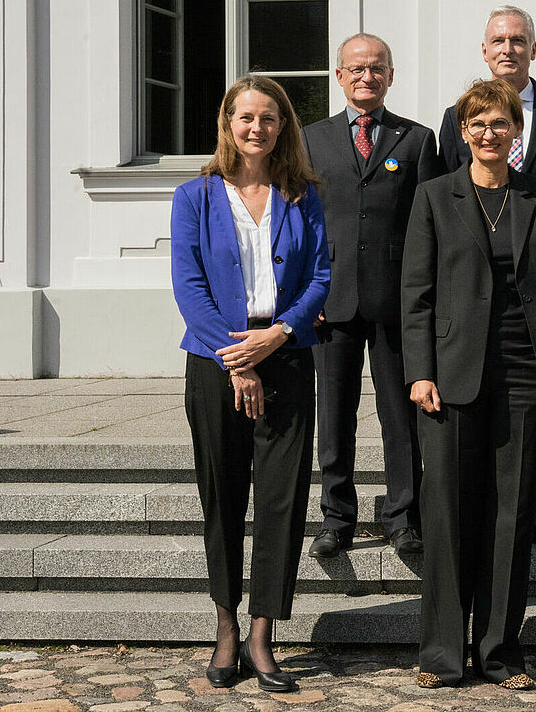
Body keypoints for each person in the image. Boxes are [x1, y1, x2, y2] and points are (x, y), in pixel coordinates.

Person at [404, 78, 536, 690]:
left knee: (512, 513)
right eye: (476, 123)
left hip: (526, 372)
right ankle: (443, 654)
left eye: (499, 123)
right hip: (451, 376)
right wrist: (419, 370)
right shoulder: (433, 196)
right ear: (462, 132)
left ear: (516, 132)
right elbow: (416, 293)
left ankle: (501, 651)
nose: (488, 133)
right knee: (449, 509)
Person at [170, 75, 330, 693]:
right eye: (246, 117)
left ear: (283, 126)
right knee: (223, 493)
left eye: (269, 118)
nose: (257, 128)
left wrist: (279, 336)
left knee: (282, 500)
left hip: (286, 355)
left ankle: (263, 632)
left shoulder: (302, 193)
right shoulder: (195, 195)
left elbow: (320, 275)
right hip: (216, 361)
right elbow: (189, 285)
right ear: (227, 123)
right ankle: (225, 627)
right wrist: (238, 361)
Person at [439, 5, 536, 554]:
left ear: (534, 48)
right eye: (498, 40)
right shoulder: (458, 116)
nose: (508, 48)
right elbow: (444, 205)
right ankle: (488, 511)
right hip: (473, 290)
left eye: (518, 39)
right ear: (484, 50)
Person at [303, 33, 444, 560]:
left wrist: (422, 299)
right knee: (333, 414)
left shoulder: (416, 140)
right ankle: (337, 516)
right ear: (339, 76)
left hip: (394, 302)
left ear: (391, 75)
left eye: (377, 68)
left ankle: (403, 516)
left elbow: (427, 224)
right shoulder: (311, 138)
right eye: (356, 69)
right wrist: (305, 292)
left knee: (399, 415)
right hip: (329, 299)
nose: (367, 77)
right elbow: (300, 221)